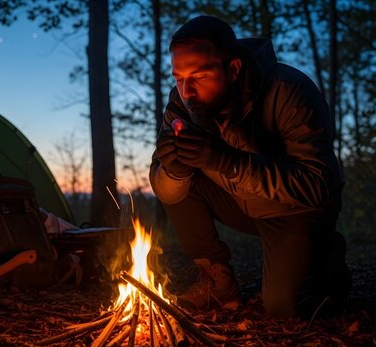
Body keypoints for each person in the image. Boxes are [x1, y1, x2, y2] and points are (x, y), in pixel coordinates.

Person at [150, 15, 351, 319]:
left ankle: (326, 258)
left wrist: (225, 161)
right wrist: (173, 170)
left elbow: (317, 186)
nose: (187, 92)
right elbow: (164, 189)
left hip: (294, 212)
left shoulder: (288, 91)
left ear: (233, 69)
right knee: (178, 179)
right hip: (239, 202)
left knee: (285, 307)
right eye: (179, 78)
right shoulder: (183, 104)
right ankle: (218, 280)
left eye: (200, 76)